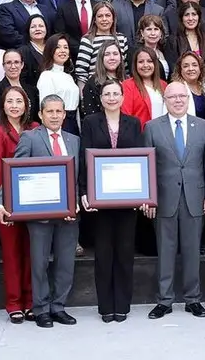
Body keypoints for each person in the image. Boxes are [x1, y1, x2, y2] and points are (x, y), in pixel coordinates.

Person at [0, 95, 83, 328]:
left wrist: (75, 203)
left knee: (66, 263)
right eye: (50, 112)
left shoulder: (74, 140)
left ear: (65, 114)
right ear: (41, 115)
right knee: (39, 264)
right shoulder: (30, 138)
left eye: (59, 111)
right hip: (40, 216)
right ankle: (41, 309)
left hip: (68, 215)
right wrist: (0, 203)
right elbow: (13, 173)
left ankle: (59, 307)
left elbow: (77, 178)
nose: (55, 116)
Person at [144, 82, 205, 320]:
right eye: (172, 97)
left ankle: (192, 299)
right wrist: (149, 198)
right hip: (165, 199)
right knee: (165, 251)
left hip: (195, 197)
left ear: (188, 99)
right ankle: (164, 301)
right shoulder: (152, 127)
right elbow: (148, 166)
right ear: (164, 100)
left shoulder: (204, 127)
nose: (177, 100)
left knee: (192, 250)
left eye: (181, 96)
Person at [78, 80, 144, 322]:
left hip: (127, 197)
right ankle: (106, 306)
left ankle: (122, 305)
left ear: (123, 97)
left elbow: (141, 159)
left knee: (125, 252)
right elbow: (85, 157)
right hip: (100, 198)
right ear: (101, 97)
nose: (112, 97)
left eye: (116, 93)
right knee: (104, 254)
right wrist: (84, 191)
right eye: (107, 94)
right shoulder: (90, 122)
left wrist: (143, 193)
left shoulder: (134, 123)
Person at [0, 87, 37, 323]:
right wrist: (6, 202)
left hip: (34, 202)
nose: (15, 105)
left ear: (26, 105)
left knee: (32, 253)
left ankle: (30, 301)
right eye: (10, 101)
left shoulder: (35, 129)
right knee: (12, 254)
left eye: (19, 101)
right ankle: (14, 303)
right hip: (8, 204)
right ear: (3, 105)